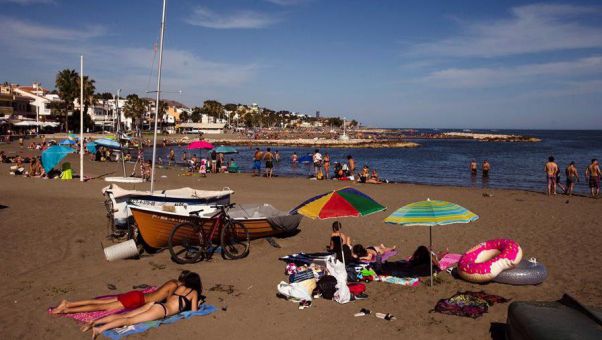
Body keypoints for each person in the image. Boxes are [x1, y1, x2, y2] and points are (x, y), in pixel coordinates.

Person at [86, 272, 202, 338]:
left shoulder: (180, 287)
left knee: (125, 315)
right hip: (161, 311)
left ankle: (94, 322)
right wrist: (198, 303)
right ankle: (99, 329)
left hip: (154, 304)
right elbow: (194, 311)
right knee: (128, 320)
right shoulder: (194, 293)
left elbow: (170, 298)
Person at [51, 271, 191, 315]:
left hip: (137, 295)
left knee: (100, 302)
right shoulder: (174, 285)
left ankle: (68, 303)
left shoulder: (171, 280)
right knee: (100, 307)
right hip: (137, 300)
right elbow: (168, 299)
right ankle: (67, 309)